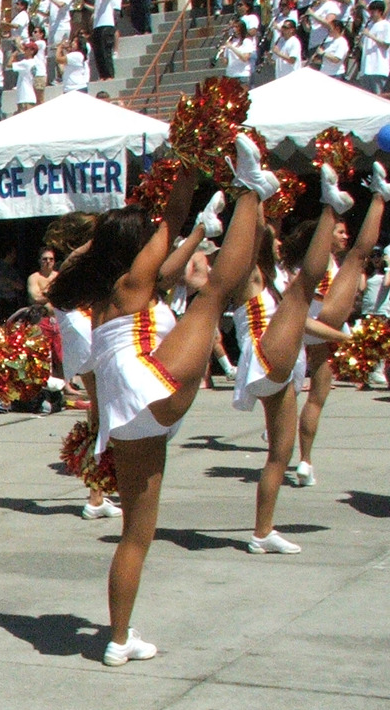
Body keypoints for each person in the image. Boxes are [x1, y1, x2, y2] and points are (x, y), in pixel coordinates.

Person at [47, 134, 278, 667]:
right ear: (136, 247)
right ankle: (248, 188)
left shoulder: (113, 291)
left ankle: (118, 639)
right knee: (215, 294)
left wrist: (196, 211)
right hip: (146, 387)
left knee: (135, 534)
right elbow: (171, 220)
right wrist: (192, 169)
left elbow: (173, 242)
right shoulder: (134, 281)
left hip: (126, 419)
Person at [233, 166, 367, 554]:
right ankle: (327, 205)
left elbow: (306, 325)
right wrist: (254, 196)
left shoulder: (272, 281)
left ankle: (262, 532)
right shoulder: (250, 277)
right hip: (263, 355)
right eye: (271, 243)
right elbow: (255, 237)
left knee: (281, 452)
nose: (277, 247)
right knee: (304, 288)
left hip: (283, 359)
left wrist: (343, 336)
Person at [290, 165, 386, 486]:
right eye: (339, 231)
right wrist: (345, 337)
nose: (344, 236)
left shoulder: (319, 260)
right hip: (320, 323)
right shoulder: (316, 259)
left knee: (313, 398)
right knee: (359, 255)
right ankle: (377, 197)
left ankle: (305, 461)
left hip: (311, 330)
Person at [357, 0, 390, 93]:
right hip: (366, 68)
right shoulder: (370, 25)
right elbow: (365, 46)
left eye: (373, 12)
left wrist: (370, 35)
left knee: (378, 96)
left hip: (378, 68)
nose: (370, 14)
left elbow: (386, 44)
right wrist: (359, 41)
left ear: (380, 12)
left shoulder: (386, 25)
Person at [220, 19, 257, 85]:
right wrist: (221, 54)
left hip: (242, 75)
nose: (234, 29)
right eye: (233, 27)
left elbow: (245, 58)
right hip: (230, 75)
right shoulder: (230, 42)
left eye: (237, 27)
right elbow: (226, 62)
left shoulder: (247, 41)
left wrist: (232, 47)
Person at [11, 42, 44, 112]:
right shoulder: (34, 62)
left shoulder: (26, 63)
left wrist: (13, 55)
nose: (24, 51)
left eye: (26, 49)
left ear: (32, 51)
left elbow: (9, 65)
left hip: (25, 97)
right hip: (29, 96)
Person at [91, 0, 116, 79]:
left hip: (106, 24)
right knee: (98, 52)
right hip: (97, 25)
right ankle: (102, 75)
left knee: (105, 51)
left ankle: (109, 75)